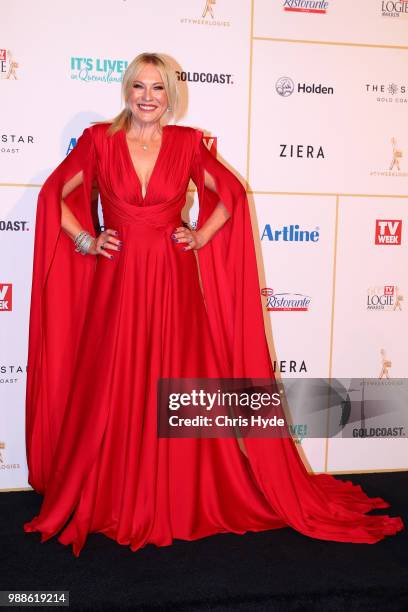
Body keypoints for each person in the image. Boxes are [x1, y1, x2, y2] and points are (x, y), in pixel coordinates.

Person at [23, 52, 404, 557]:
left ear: (170, 95)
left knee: (174, 380)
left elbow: (233, 197)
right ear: (126, 90)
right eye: (139, 86)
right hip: (115, 285)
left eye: (158, 89)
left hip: (173, 281)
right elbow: (52, 195)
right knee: (110, 383)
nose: (148, 97)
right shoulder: (99, 140)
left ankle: (177, 496)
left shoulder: (186, 143)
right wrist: (86, 241)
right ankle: (112, 492)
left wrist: (201, 234)